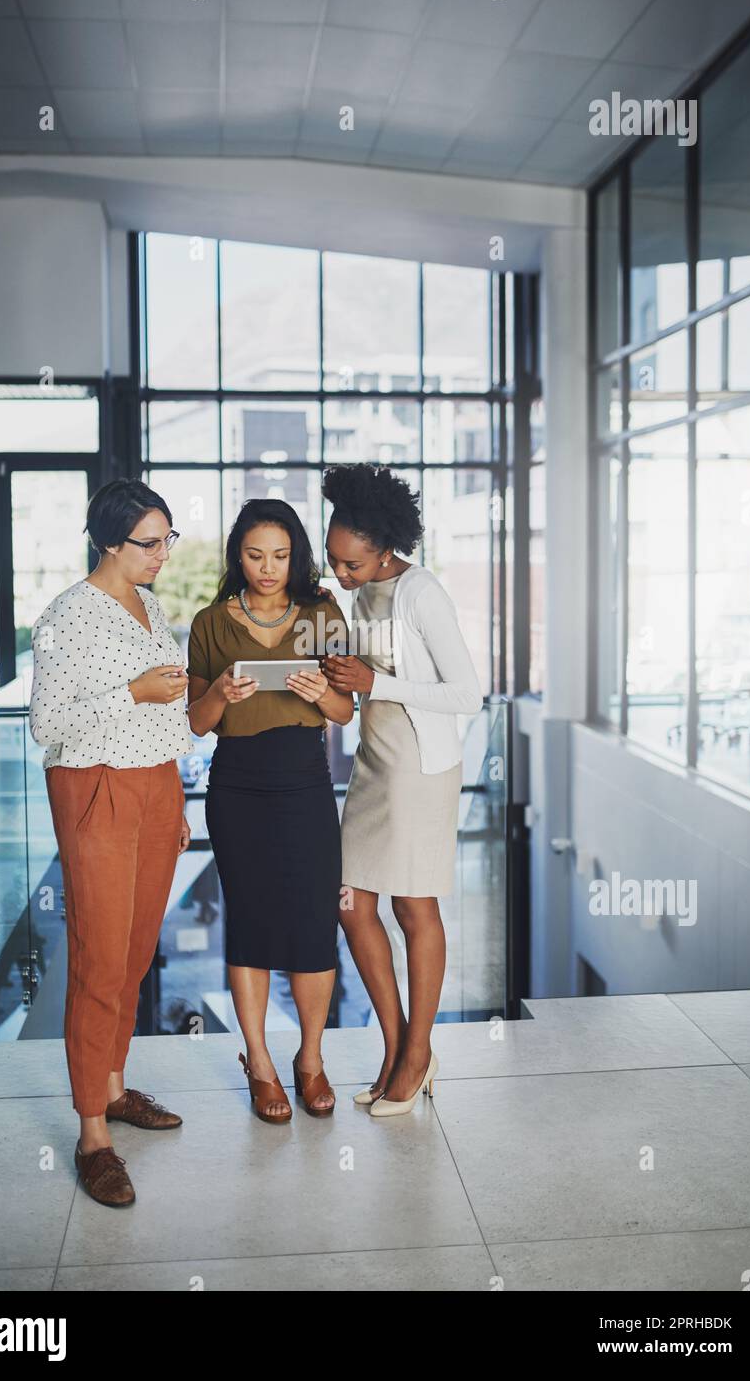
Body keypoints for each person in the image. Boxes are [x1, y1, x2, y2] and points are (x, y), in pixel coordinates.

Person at [28, 479, 192, 1208]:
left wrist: (175, 798)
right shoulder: (65, 617)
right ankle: (93, 1134)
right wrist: (133, 694)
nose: (162, 554)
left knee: (132, 952)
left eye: (167, 539)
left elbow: (168, 711)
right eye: (148, 543)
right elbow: (46, 724)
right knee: (98, 959)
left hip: (155, 786)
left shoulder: (149, 604)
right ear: (108, 542)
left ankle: (116, 1088)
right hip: (95, 787)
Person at [321, 464, 483, 1117]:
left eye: (351, 564)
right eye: (334, 561)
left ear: (384, 549)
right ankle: (395, 1048)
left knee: (415, 910)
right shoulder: (357, 598)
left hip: (420, 766)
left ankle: (417, 1053)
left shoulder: (422, 594)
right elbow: (357, 676)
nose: (341, 574)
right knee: (351, 902)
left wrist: (372, 683)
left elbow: (467, 694)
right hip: (374, 764)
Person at [187, 500, 353, 1123]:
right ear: (237, 555)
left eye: (280, 556)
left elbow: (344, 713)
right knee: (251, 923)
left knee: (314, 924)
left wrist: (325, 692)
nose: (267, 568)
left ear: (297, 556)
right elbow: (197, 724)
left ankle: (309, 1060)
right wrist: (219, 694)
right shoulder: (209, 622)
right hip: (237, 788)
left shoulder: (319, 614)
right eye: (255, 555)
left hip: (306, 783)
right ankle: (258, 1062)